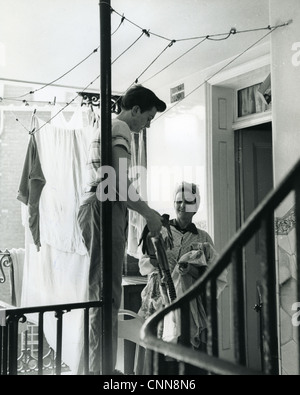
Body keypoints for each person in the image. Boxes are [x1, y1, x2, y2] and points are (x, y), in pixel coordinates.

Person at [77, 84, 167, 374]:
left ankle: (95, 368)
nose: (146, 126)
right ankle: (100, 371)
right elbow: (117, 182)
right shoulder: (121, 128)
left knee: (101, 295)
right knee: (105, 296)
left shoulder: (106, 127)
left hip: (99, 206)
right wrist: (149, 214)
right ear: (136, 110)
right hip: (104, 207)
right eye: (148, 118)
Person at [136, 181, 227, 374]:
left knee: (189, 359)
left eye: (187, 201)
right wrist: (157, 258)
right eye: (178, 201)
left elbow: (214, 273)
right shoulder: (161, 230)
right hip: (161, 301)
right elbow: (144, 265)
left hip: (190, 305)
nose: (182, 206)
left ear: (196, 206)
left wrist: (191, 271)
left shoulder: (203, 238)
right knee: (160, 357)